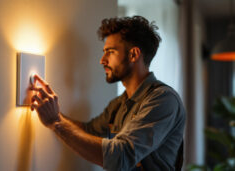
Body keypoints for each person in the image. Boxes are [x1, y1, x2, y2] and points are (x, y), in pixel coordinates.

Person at [30, 16, 186, 171]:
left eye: (110, 52)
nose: (102, 60)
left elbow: (121, 156)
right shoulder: (119, 104)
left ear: (133, 54)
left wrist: (57, 123)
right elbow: (87, 131)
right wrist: (52, 112)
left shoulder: (163, 100)